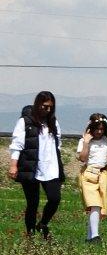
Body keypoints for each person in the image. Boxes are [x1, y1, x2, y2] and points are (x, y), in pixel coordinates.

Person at [8, 91, 64, 239]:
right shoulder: (25, 122)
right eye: (45, 106)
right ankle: (30, 233)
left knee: (54, 198)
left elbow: (58, 144)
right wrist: (13, 165)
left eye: (51, 107)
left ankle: (43, 223)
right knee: (33, 203)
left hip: (50, 167)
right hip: (30, 166)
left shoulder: (53, 122)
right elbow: (17, 144)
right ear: (38, 104)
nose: (48, 110)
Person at [77, 113, 107, 243]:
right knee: (94, 204)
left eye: (101, 129)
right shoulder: (85, 141)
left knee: (99, 207)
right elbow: (82, 158)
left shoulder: (106, 141)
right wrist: (86, 143)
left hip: (103, 174)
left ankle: (89, 237)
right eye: (96, 129)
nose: (99, 132)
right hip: (89, 174)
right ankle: (95, 236)